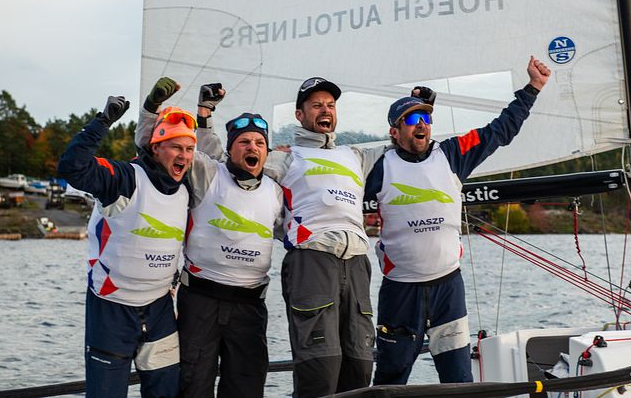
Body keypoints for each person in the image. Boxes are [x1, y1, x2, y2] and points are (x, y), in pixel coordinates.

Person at [192, 77, 387, 397]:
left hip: (357, 264)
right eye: (316, 106)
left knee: (359, 365)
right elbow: (225, 163)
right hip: (312, 259)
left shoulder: (355, 155)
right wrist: (205, 118)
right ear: (300, 115)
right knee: (321, 367)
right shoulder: (284, 156)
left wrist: (416, 118)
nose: (325, 110)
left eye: (330, 105)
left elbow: (405, 149)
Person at [366, 56, 551, 385]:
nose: (421, 124)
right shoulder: (378, 166)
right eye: (411, 120)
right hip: (400, 293)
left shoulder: (452, 154)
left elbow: (500, 131)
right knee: (390, 381)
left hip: (448, 290)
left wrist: (532, 89)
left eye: (424, 117)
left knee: (459, 380)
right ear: (395, 132)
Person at [135, 79, 284, 398]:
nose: (252, 148)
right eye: (243, 142)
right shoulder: (209, 173)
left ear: (267, 152)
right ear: (229, 149)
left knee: (247, 388)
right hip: (201, 303)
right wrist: (151, 108)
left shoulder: (276, 191)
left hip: (249, 308)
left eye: (259, 142)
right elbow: (158, 143)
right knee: (193, 386)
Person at [58, 95, 197, 397]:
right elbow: (72, 167)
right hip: (112, 308)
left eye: (189, 149)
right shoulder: (124, 179)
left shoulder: (186, 186)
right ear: (156, 147)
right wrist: (103, 121)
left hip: (159, 309)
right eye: (176, 146)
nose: (184, 156)